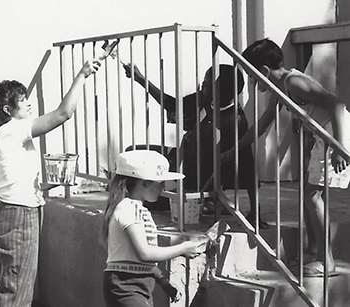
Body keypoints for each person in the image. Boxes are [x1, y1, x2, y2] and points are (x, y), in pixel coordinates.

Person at [224, 38, 350, 276]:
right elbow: (261, 126)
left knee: (313, 196)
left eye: (251, 76)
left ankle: (327, 262)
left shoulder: (293, 82)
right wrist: (232, 151)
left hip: (335, 135)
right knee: (309, 194)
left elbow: (336, 105)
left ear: (263, 71)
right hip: (326, 137)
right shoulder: (280, 88)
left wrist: (339, 147)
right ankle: (315, 253)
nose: (251, 82)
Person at [0, 58, 101, 306]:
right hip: (19, 216)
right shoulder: (12, 129)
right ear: (7, 110)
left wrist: (47, 185)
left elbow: (13, 182)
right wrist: (82, 74)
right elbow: (63, 113)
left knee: (13, 289)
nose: (29, 102)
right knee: (18, 296)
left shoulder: (0, 137)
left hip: (8, 211)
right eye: (22, 99)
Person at [123, 63, 269, 228]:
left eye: (205, 85)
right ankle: (209, 202)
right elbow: (172, 104)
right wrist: (141, 79)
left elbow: (248, 165)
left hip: (192, 181)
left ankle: (208, 201)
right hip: (180, 158)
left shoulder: (234, 120)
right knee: (132, 153)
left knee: (150, 199)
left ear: (217, 93)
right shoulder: (204, 99)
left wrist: (255, 211)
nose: (201, 86)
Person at [99, 150, 207, 307]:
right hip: (125, 286)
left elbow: (139, 260)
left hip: (138, 286)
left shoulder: (138, 210)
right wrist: (183, 248)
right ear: (144, 184)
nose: (163, 188)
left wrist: (164, 282)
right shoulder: (129, 209)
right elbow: (145, 254)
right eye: (160, 183)